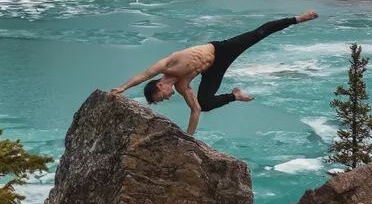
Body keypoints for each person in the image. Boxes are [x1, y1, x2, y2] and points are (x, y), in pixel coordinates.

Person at [110, 10, 319, 136]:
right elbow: (196, 111)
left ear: (159, 86)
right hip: (213, 70)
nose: (165, 98)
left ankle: (298, 18)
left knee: (257, 34)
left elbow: (143, 75)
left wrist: (122, 88)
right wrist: (188, 138)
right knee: (205, 103)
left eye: (160, 97)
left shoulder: (168, 64)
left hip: (220, 50)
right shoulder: (182, 87)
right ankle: (235, 95)